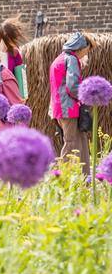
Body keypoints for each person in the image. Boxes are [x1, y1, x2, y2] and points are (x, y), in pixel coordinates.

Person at [49, 32, 95, 175]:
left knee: (79, 143)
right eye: (89, 49)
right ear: (82, 47)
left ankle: (85, 179)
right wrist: (86, 97)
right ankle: (63, 179)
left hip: (60, 108)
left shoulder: (60, 59)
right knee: (71, 144)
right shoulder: (72, 59)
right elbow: (73, 86)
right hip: (68, 109)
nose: (88, 52)